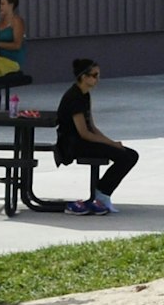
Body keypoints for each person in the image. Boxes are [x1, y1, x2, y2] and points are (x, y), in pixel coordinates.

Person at [46, 57, 137, 214]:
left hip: (84, 141)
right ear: (83, 77)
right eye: (94, 75)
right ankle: (101, 194)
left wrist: (110, 142)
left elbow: (92, 127)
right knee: (126, 157)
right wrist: (111, 144)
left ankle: (102, 192)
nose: (97, 79)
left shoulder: (84, 94)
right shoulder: (74, 97)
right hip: (74, 145)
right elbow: (84, 133)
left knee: (130, 155)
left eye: (98, 75)